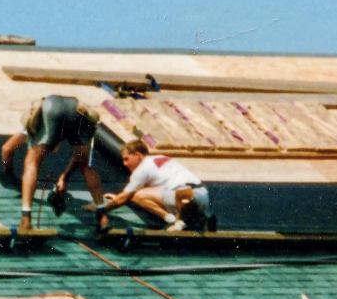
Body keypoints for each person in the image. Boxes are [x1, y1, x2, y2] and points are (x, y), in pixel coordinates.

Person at [11, 95, 108, 233]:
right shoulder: (74, 119)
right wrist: (65, 177)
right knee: (86, 166)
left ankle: (26, 218)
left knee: (31, 163)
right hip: (78, 110)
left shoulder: (38, 118)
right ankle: (103, 216)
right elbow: (78, 157)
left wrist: (64, 177)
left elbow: (8, 148)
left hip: (52, 109)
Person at [101, 140, 211, 231]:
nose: (124, 164)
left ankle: (173, 221)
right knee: (150, 192)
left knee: (137, 195)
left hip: (183, 195)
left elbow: (127, 196)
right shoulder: (160, 158)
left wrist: (103, 208)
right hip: (202, 196)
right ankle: (200, 219)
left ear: (137, 155)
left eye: (126, 159)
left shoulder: (142, 169)